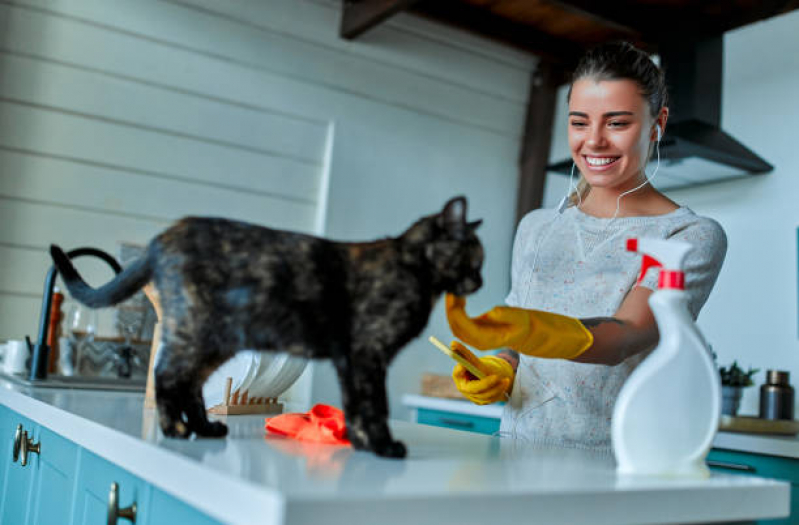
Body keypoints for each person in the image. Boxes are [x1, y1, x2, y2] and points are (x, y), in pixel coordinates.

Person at [447, 41, 727, 451]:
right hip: (516, 454)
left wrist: (528, 327)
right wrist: (499, 366)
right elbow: (518, 345)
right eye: (580, 122)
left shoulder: (687, 236)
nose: (593, 141)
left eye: (617, 123)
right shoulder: (537, 227)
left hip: (619, 465)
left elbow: (627, 335)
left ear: (657, 124)